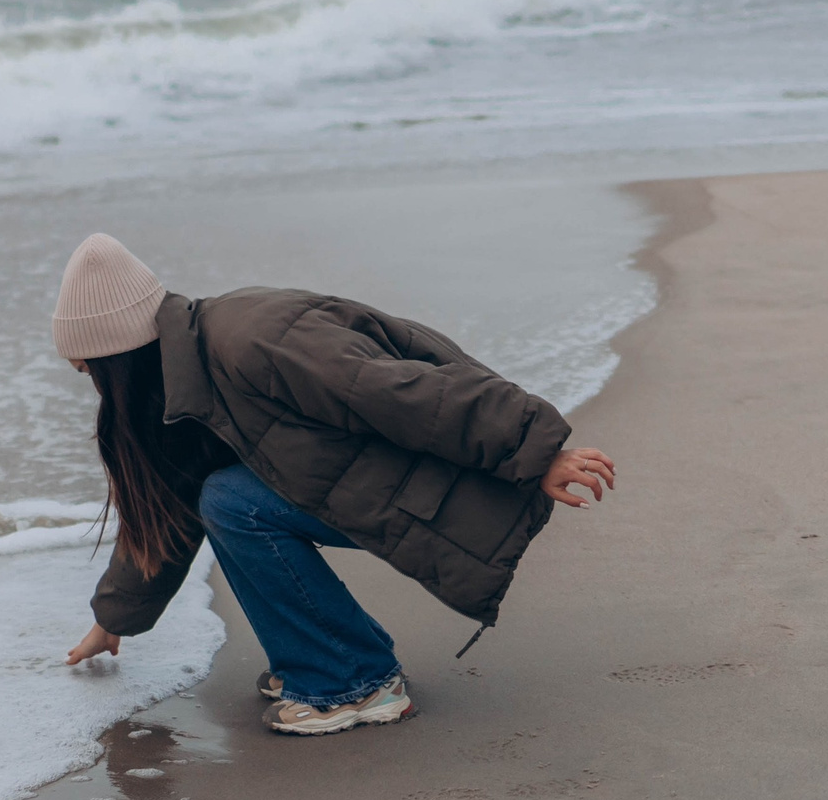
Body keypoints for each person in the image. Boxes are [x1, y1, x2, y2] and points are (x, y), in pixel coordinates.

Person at [52, 233, 615, 736]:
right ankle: (335, 657)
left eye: (89, 371)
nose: (95, 388)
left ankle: (353, 681)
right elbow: (170, 507)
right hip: (388, 481)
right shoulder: (185, 376)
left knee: (232, 502)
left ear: (116, 357)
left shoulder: (251, 339)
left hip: (451, 477)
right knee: (220, 495)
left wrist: (536, 450)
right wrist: (113, 619)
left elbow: (402, 391)